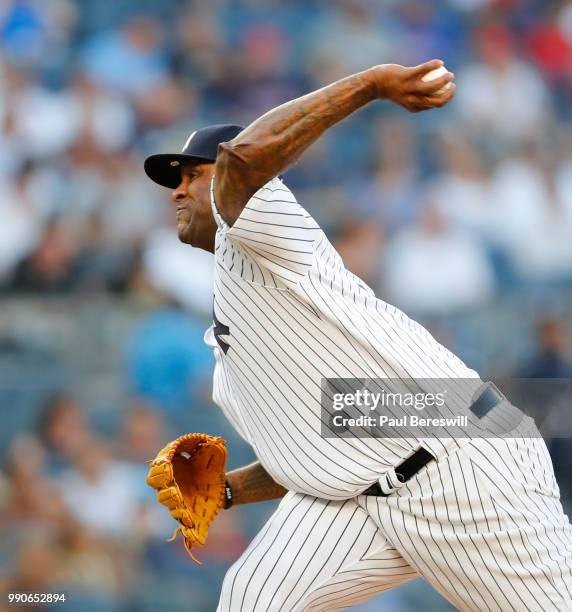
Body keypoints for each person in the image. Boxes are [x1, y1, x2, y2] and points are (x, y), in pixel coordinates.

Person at [144, 60, 572, 611]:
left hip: (459, 463)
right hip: (367, 484)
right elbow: (327, 442)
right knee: (252, 600)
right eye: (174, 180)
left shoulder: (256, 225)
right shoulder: (240, 310)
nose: (178, 191)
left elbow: (243, 165)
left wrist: (371, 85)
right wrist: (226, 489)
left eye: (191, 175)